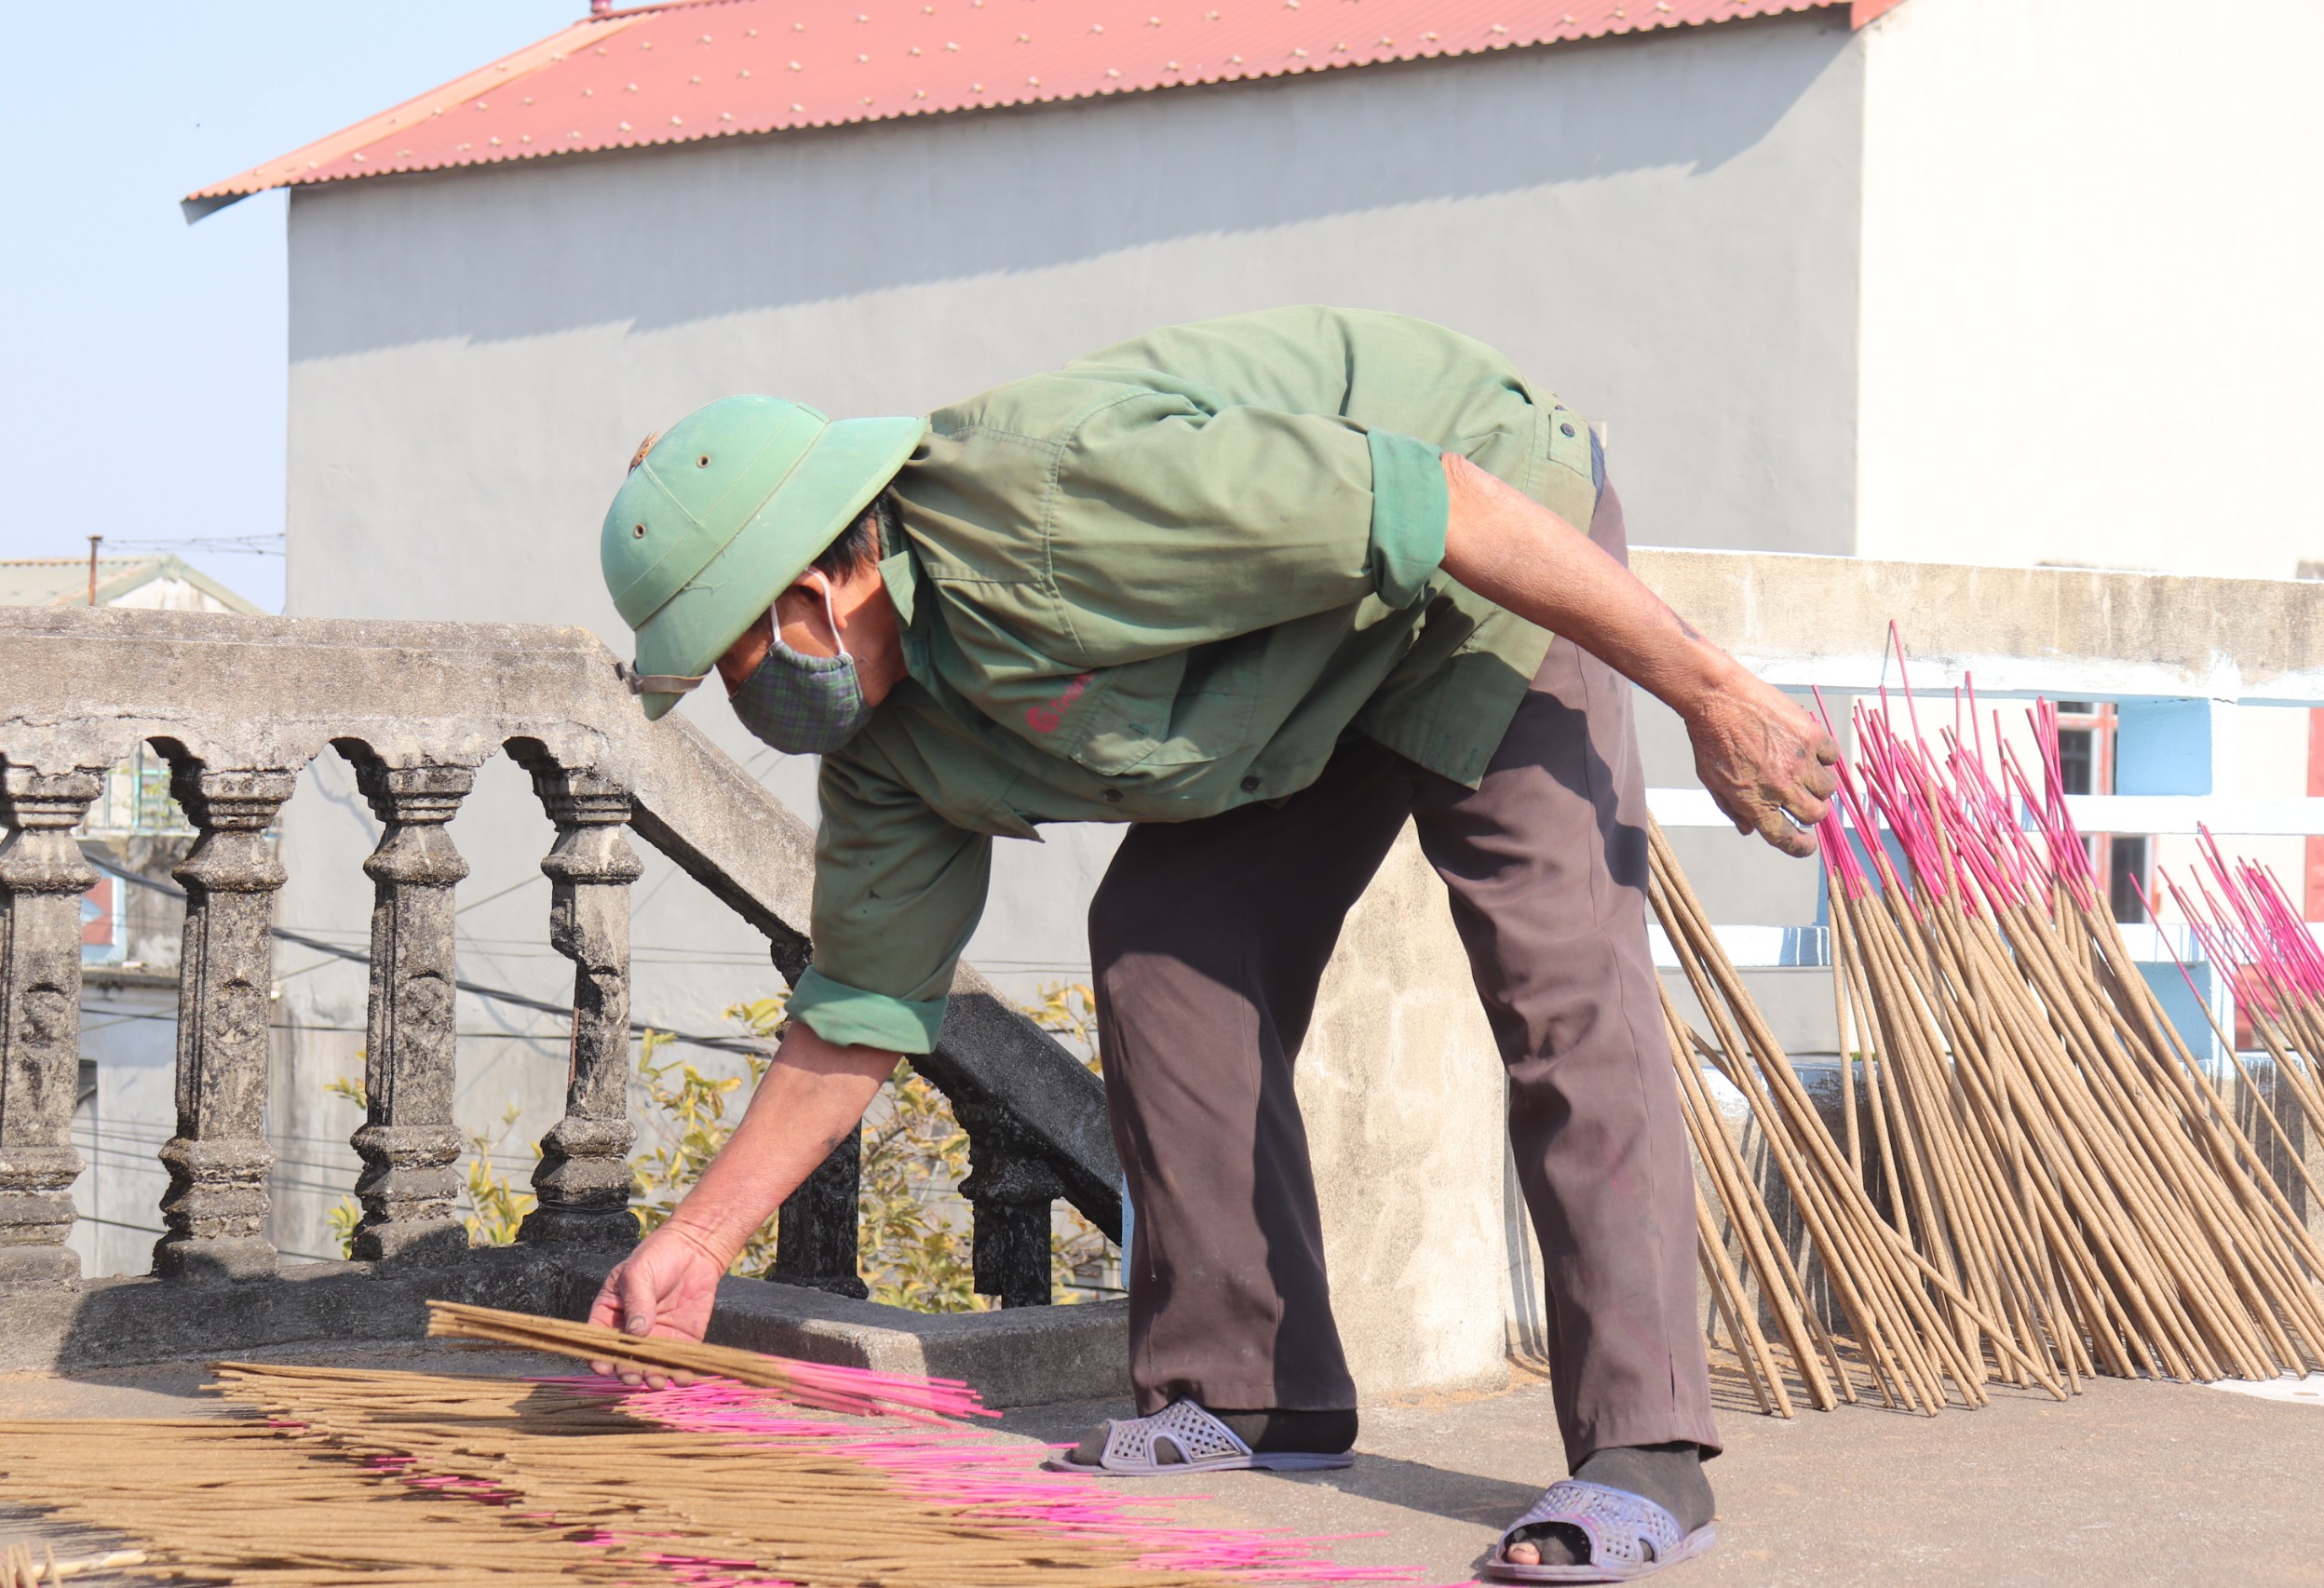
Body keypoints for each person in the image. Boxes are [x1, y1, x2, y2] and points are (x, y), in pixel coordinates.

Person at [587, 307, 1837, 1582]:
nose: (744, 704)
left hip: (1488, 570)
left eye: (737, 666)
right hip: (1303, 682)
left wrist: (1711, 690)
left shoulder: (1060, 505)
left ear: (816, 587)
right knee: (1167, 936)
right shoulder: (887, 756)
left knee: (1554, 970)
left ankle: (1646, 1451)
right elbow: (859, 1001)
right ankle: (1254, 1388)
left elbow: (1444, 503)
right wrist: (699, 1237)